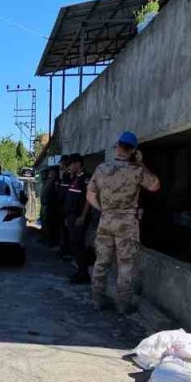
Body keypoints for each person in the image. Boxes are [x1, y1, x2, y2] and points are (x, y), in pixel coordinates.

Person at [87, 131, 161, 313]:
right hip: (127, 223)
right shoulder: (137, 170)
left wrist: (103, 209)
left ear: (117, 147)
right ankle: (123, 304)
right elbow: (155, 185)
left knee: (101, 262)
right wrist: (140, 163)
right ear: (133, 151)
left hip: (106, 220)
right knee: (125, 264)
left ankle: (97, 300)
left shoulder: (102, 169)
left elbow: (90, 195)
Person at [60, 154, 88, 261]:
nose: (69, 167)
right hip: (71, 216)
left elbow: (89, 199)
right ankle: (80, 269)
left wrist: (83, 216)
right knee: (74, 242)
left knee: (79, 243)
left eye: (70, 164)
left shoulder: (85, 178)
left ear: (78, 164)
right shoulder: (74, 178)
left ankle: (83, 272)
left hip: (79, 216)